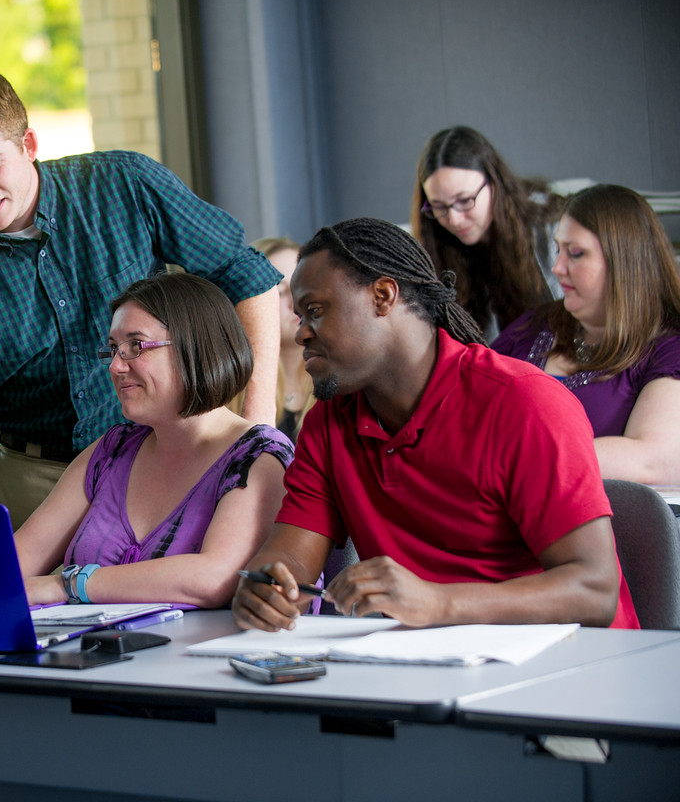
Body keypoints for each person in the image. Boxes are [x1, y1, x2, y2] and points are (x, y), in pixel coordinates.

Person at [0, 69, 282, 528]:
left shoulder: (124, 186)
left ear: (29, 145)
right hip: (35, 475)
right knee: (36, 596)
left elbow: (247, 275)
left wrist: (257, 427)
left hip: (160, 454)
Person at [232, 218, 639, 631]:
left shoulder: (524, 402)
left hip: (572, 669)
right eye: (299, 316)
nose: (301, 333)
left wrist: (439, 602)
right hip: (436, 666)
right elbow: (292, 557)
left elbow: (595, 591)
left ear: (383, 296)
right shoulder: (328, 422)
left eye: (315, 311)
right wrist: (268, 586)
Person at [15, 273, 293, 608]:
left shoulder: (259, 455)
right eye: (114, 349)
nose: (116, 366)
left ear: (197, 348)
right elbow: (14, 563)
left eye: (135, 346)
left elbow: (216, 578)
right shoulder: (113, 449)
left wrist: (69, 585)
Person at [493, 184, 680, 486]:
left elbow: (654, 460)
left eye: (576, 254)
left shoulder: (668, 350)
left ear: (624, 263)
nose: (557, 268)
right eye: (558, 250)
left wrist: (521, 457)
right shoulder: (538, 324)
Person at [411, 126, 564, 341]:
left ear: (495, 183)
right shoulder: (435, 249)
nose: (453, 219)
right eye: (439, 206)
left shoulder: (552, 229)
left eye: (464, 201)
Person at [255, 236, 314, 440]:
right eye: (279, 291)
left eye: (302, 285)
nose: (296, 301)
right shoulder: (232, 393)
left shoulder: (342, 382)